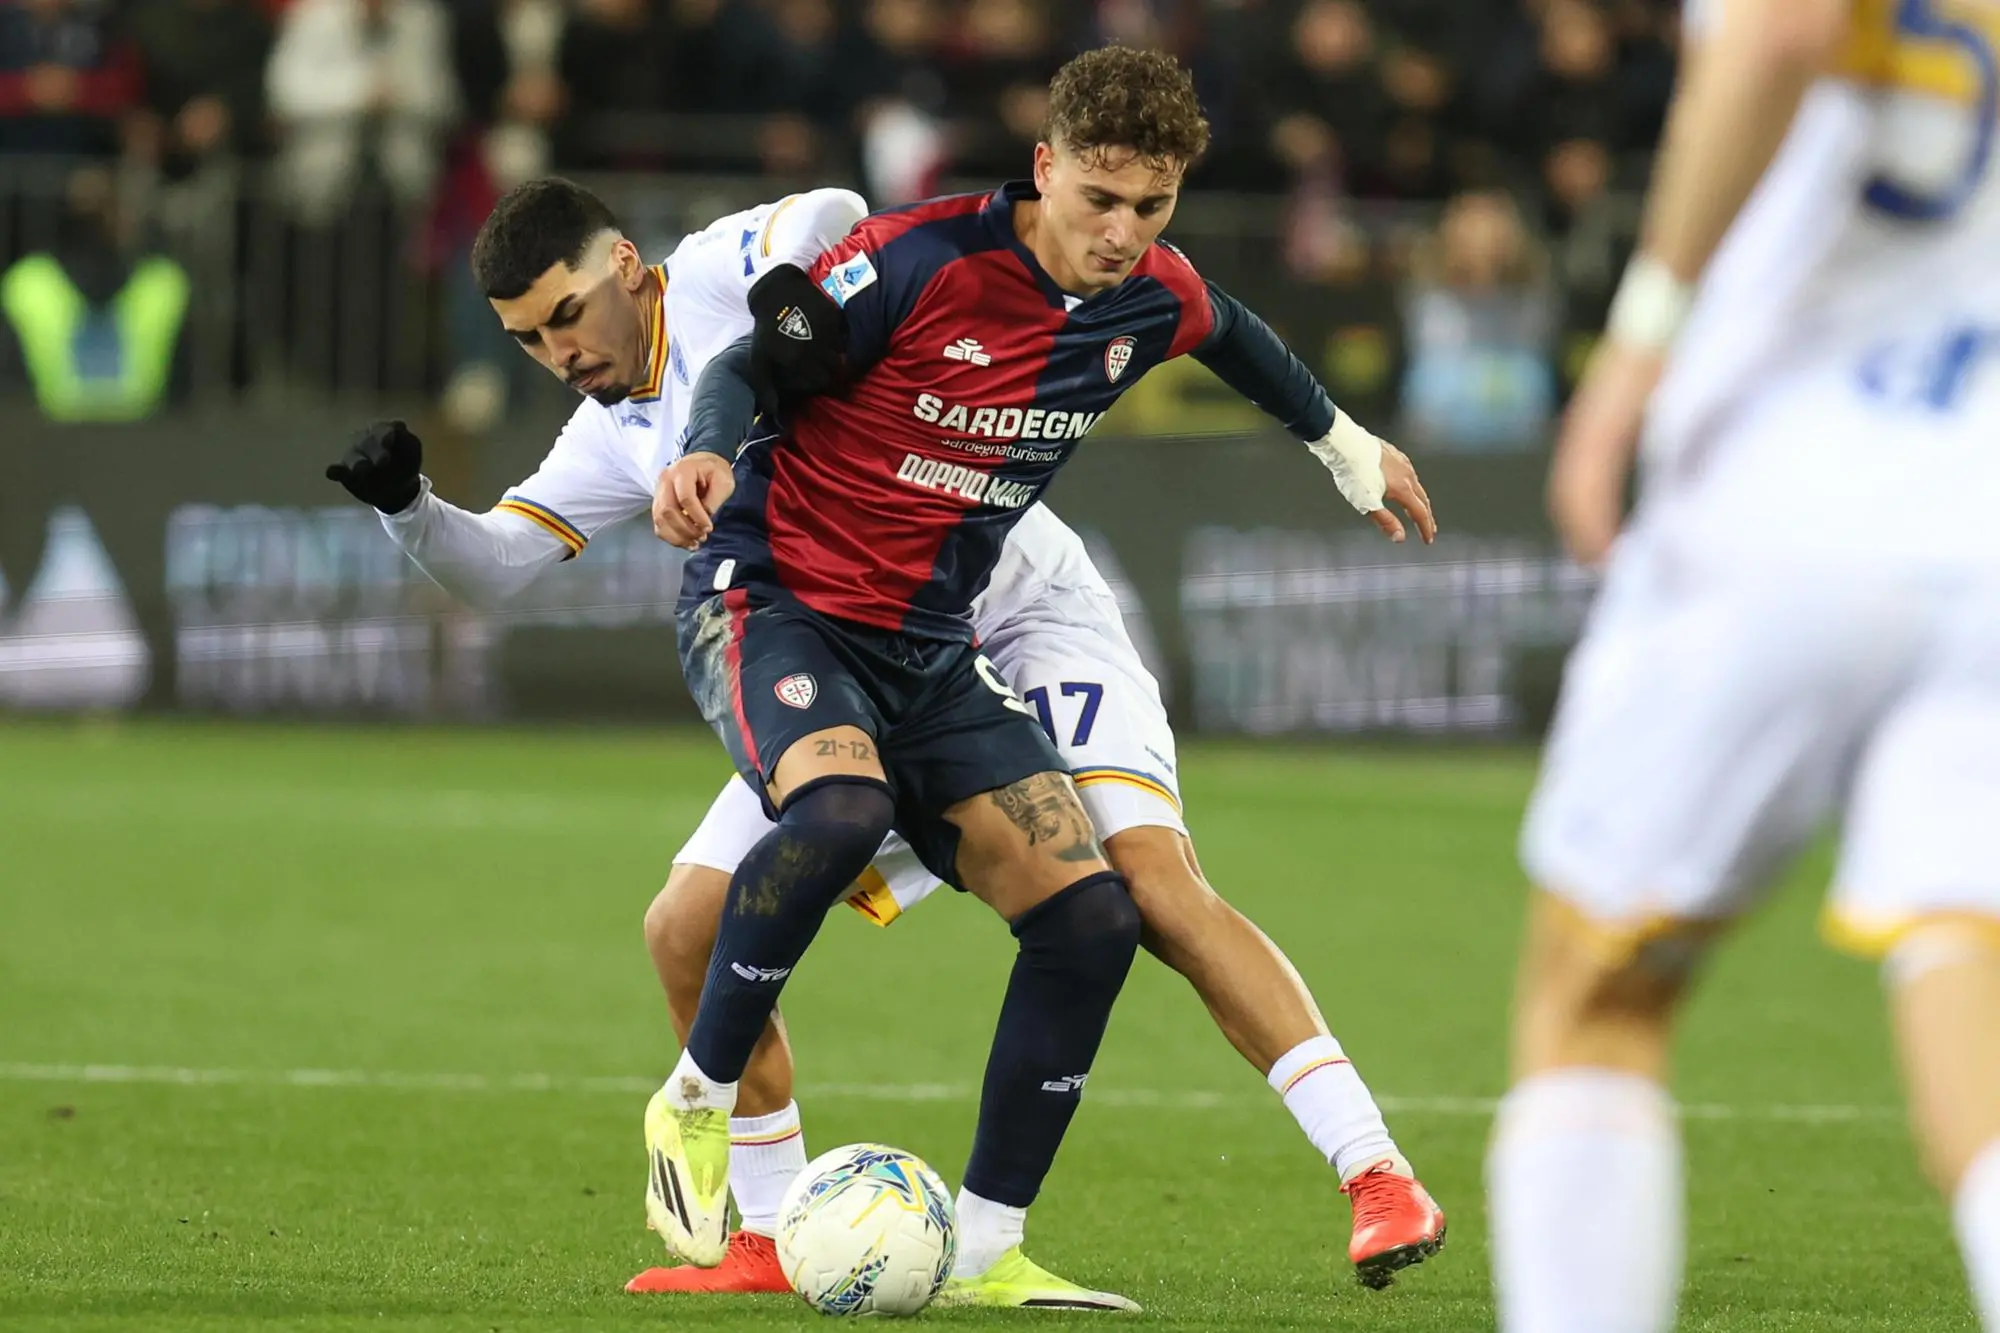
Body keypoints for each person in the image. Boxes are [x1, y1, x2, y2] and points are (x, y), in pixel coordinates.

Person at [327, 168, 1444, 1311]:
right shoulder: (611, 433)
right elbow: (499, 564)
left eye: (565, 315)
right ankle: (764, 1232)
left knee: (1145, 886)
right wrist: (408, 505)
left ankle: (1373, 1170)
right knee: (684, 928)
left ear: (624, 267)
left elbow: (829, 211)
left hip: (1018, 605)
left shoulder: (713, 272)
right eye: (526, 340)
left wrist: (793, 307)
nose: (557, 350)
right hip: (852, 637)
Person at [650, 43, 1435, 1307]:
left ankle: (983, 1249)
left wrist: (1342, 444)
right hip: (778, 602)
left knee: (1094, 917)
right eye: (1098, 201)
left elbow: (1229, 330)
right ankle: (693, 1099)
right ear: (1043, 168)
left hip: (930, 648)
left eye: (1152, 206)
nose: (1123, 235)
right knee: (838, 812)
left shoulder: (1147, 294)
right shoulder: (914, 259)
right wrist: (699, 450)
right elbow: (755, 357)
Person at [1485, 1, 2000, 1329]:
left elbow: (1784, 31)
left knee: (1596, 993)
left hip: (1796, 490)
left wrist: (1640, 342)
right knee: (1969, 984)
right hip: (1985, 505)